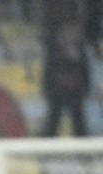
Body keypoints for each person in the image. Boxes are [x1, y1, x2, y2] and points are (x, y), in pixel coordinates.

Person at [39, 0, 91, 137]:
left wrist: (86, 84)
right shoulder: (53, 38)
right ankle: (44, 146)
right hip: (58, 85)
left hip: (75, 85)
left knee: (79, 123)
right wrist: (47, 85)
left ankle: (83, 148)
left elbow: (84, 63)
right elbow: (49, 63)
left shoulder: (78, 38)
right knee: (53, 122)